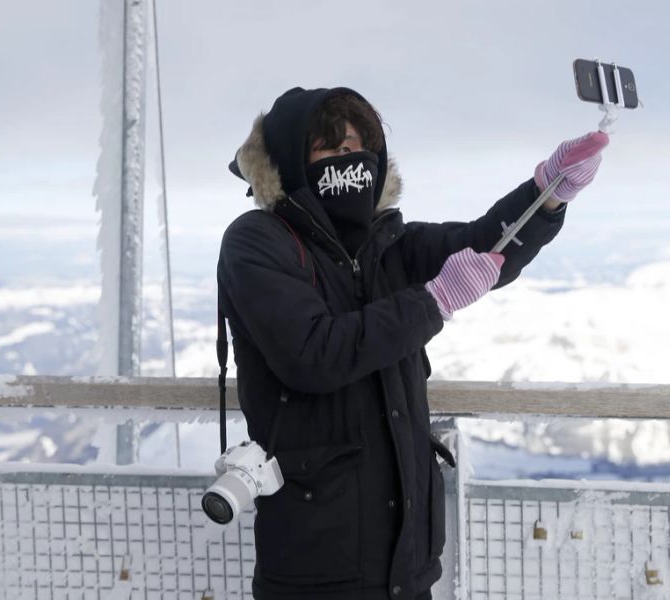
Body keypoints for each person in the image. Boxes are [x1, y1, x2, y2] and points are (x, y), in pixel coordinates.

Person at [218, 86, 608, 600]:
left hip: (408, 564)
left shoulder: (390, 244)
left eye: (357, 146)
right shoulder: (258, 241)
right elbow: (311, 355)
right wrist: (433, 301)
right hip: (317, 568)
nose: (347, 158)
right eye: (329, 148)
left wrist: (549, 192)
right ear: (292, 160)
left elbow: (484, 245)